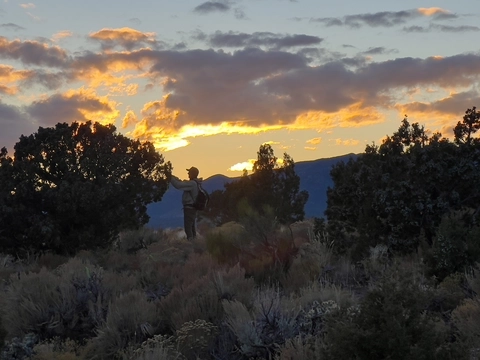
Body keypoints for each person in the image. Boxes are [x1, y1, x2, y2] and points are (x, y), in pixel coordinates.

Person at [170, 166, 202, 240]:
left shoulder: (192, 184)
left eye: (189, 172)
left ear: (192, 174)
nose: (188, 173)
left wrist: (170, 178)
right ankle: (194, 242)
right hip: (193, 208)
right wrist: (172, 176)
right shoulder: (195, 183)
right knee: (192, 227)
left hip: (189, 208)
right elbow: (181, 182)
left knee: (188, 227)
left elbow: (178, 185)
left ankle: (191, 243)